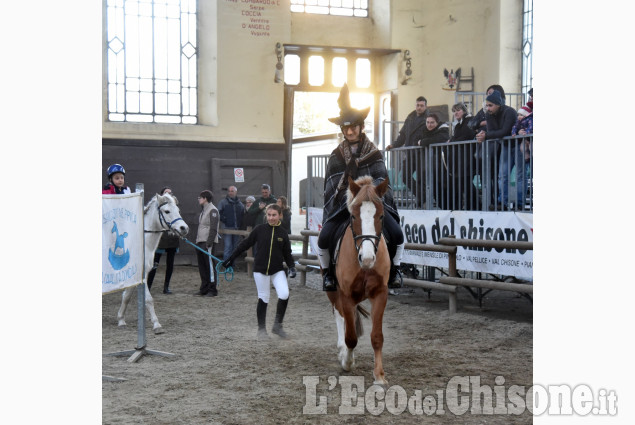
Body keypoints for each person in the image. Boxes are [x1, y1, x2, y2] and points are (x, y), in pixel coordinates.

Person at [318, 83, 405, 291]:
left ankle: (395, 270)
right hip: (344, 206)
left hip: (371, 205)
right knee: (324, 238)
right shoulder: (336, 155)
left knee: (398, 234)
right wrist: (348, 199)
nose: (349, 131)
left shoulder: (374, 153)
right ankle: (328, 273)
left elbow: (381, 180)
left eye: (353, 127)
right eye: (346, 128)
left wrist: (366, 195)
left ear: (361, 127)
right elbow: (332, 186)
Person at [222, 204, 296, 339]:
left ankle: (277, 326)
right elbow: (245, 244)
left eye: (274, 215)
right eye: (269, 215)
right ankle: (261, 330)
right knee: (264, 297)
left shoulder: (283, 233)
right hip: (260, 270)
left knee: (284, 294)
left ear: (280, 215)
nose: (271, 218)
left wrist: (291, 267)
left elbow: (287, 253)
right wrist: (231, 258)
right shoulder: (259, 229)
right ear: (266, 215)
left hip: (277, 270)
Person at [475, 90, 517, 209]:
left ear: (498, 104)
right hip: (505, 146)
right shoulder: (489, 114)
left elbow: (504, 131)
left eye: (490, 105)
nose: (488, 108)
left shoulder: (509, 112)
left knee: (520, 176)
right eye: (487, 105)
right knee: (501, 176)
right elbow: (493, 131)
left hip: (517, 146)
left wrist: (487, 135)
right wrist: (486, 134)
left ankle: (519, 204)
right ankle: (501, 202)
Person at [385, 96, 429, 205]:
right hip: (409, 153)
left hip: (422, 154)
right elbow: (403, 135)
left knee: (421, 178)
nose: (419, 108)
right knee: (404, 176)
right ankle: (421, 196)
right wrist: (394, 145)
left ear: (425, 106)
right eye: (417, 105)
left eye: (421, 106)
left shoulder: (429, 118)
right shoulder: (410, 117)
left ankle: (421, 200)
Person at [146, 186, 181, 294]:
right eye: (166, 193)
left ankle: (166, 287)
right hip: (160, 240)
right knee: (154, 264)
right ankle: (148, 286)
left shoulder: (174, 206)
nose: (169, 194)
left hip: (172, 240)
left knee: (170, 264)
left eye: (170, 193)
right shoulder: (158, 207)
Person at [418, 113, 451, 209]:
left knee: (444, 192)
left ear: (437, 123)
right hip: (430, 168)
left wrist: (423, 142)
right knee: (436, 192)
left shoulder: (443, 130)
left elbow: (440, 139)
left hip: (442, 168)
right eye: (427, 122)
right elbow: (415, 141)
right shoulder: (423, 130)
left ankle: (447, 211)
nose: (429, 125)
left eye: (432, 122)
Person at [448, 102, 477, 210]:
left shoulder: (469, 121)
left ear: (464, 111)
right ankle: (467, 206)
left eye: (458, 110)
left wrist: (452, 141)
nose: (456, 113)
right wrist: (452, 140)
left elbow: (467, 136)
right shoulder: (458, 124)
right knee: (462, 183)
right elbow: (456, 137)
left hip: (467, 158)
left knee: (467, 183)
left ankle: (473, 207)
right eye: (454, 111)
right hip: (460, 159)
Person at [195, 190, 220, 297]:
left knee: (209, 266)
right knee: (202, 266)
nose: (199, 199)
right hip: (200, 241)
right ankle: (204, 288)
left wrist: (209, 242)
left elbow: (213, 228)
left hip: (207, 242)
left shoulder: (213, 210)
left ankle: (212, 289)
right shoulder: (204, 210)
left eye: (200, 197)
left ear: (205, 198)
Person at [511, 105, 533, 208]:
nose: (519, 116)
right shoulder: (518, 123)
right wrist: (515, 133)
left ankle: (528, 157)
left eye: (521, 115)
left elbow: (531, 127)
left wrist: (527, 132)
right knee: (522, 147)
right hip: (524, 140)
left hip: (529, 139)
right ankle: (527, 157)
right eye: (518, 115)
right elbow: (514, 127)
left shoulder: (529, 120)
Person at [218, 186, 245, 262]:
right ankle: (226, 264)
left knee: (235, 248)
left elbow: (243, 216)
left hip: (237, 229)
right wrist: (225, 219)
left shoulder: (240, 204)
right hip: (227, 228)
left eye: (232, 191)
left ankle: (232, 265)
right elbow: (218, 213)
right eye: (229, 191)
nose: (230, 192)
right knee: (228, 247)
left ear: (236, 192)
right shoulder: (223, 202)